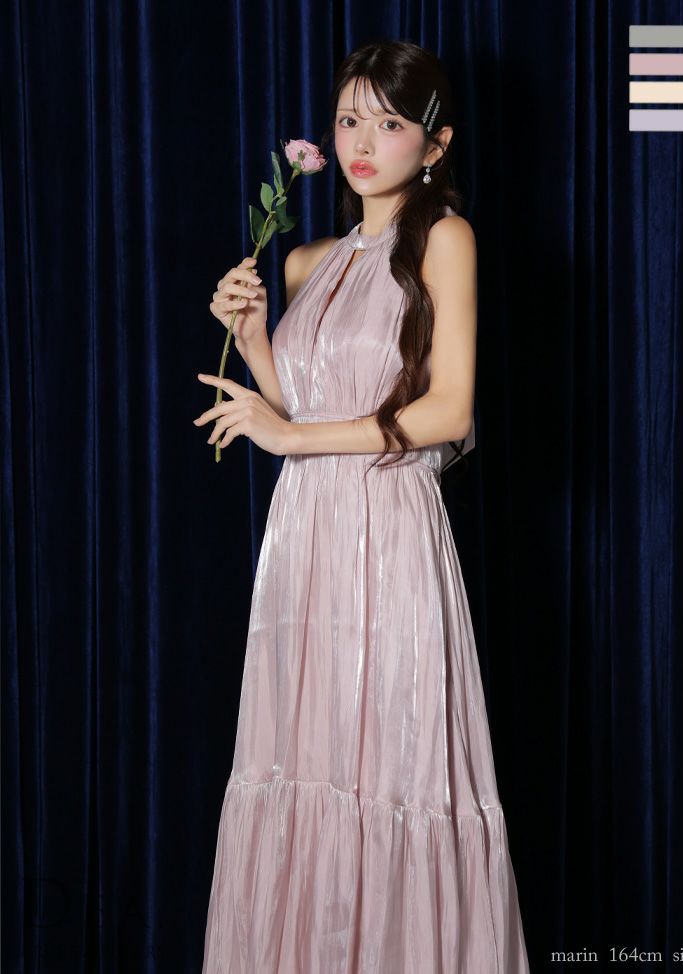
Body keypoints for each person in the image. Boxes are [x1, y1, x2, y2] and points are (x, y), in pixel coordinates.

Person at [196, 38, 530, 973]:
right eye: (349, 119)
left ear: (435, 143)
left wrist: (284, 437)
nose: (362, 141)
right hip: (305, 542)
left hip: (390, 535)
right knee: (302, 766)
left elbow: (448, 410)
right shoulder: (306, 262)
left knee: (390, 768)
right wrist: (254, 339)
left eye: (387, 122)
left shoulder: (445, 239)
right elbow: (305, 408)